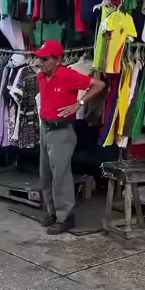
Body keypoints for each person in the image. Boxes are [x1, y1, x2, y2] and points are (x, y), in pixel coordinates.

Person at [36, 40, 106, 235]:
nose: (41, 62)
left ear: (58, 60)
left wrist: (80, 103)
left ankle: (65, 216)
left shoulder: (68, 75)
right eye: (40, 58)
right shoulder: (41, 76)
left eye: (46, 59)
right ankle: (52, 212)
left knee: (60, 174)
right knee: (45, 174)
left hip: (62, 130)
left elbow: (99, 85)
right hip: (46, 128)